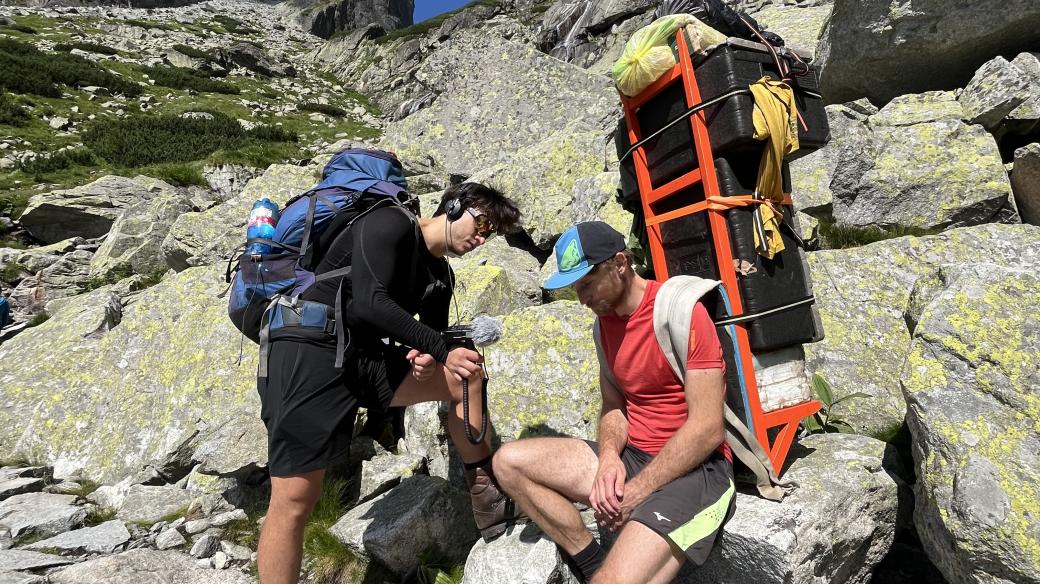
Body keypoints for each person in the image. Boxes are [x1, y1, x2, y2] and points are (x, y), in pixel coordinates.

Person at [256, 182, 524, 584]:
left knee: (465, 375)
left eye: (491, 233)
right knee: (295, 499)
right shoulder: (389, 222)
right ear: (453, 206)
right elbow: (368, 301)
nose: (482, 237)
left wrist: (428, 359)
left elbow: (429, 342)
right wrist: (436, 346)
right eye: (482, 222)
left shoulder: (441, 277)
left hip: (359, 354)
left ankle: (486, 497)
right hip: (307, 346)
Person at [493, 221, 735, 584]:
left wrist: (637, 491)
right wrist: (608, 460)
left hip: (695, 472)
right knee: (507, 462)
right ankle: (591, 565)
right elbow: (613, 405)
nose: (582, 298)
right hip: (632, 457)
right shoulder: (603, 325)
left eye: (587, 284)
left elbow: (707, 429)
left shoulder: (682, 314)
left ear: (620, 263)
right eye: (576, 288)